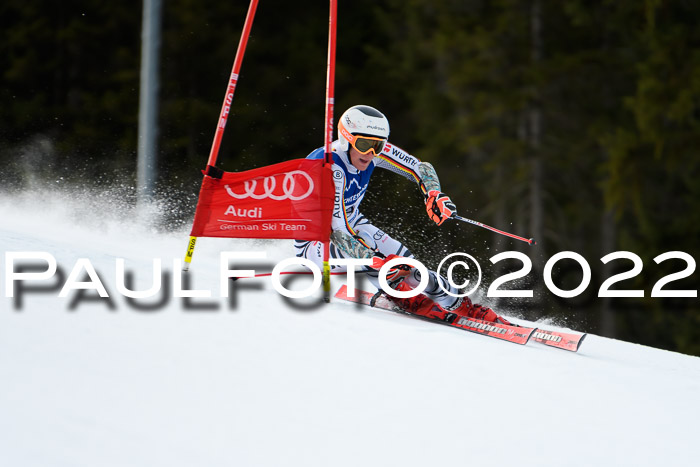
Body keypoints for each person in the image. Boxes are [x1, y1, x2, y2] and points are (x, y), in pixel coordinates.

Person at [294, 105, 508, 325]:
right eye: (364, 144)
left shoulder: (371, 153)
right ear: (346, 138)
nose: (371, 153)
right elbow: (338, 231)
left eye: (378, 145)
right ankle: (408, 299)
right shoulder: (331, 166)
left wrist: (433, 192)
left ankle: (463, 306)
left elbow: (419, 167)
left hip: (353, 226)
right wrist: (377, 259)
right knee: (375, 253)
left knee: (412, 266)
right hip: (316, 242)